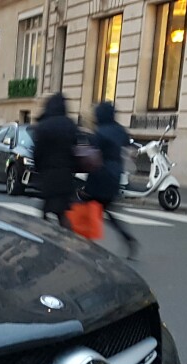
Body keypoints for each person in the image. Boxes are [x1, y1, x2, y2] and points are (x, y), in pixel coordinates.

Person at [85, 101, 139, 258]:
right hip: (115, 175)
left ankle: (88, 243)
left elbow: (92, 154)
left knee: (91, 208)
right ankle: (127, 238)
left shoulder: (100, 132)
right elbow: (128, 146)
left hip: (100, 175)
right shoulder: (120, 130)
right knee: (105, 210)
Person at [31, 93, 77, 228]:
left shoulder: (43, 126)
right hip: (65, 176)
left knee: (46, 211)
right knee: (61, 213)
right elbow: (75, 149)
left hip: (49, 176)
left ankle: (46, 241)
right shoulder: (70, 125)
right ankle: (69, 238)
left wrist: (38, 169)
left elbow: (37, 153)